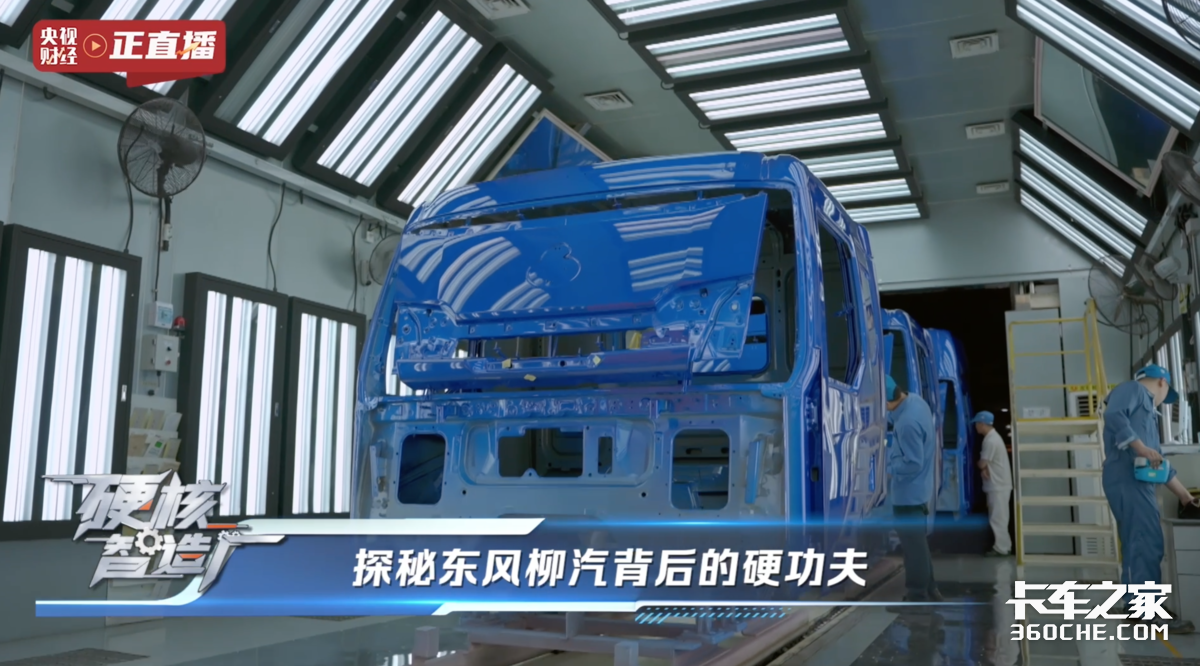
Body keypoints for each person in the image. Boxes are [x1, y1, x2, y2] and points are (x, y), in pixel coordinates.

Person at [1102, 364, 1200, 633]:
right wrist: (1141, 447)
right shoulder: (1133, 390)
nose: (1161, 401)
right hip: (1128, 479)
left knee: (1140, 542)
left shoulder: (1145, 415)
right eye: (1165, 394)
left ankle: (1136, 605)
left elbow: (1158, 463)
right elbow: (1113, 415)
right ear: (1161, 383)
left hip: (1137, 482)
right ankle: (1147, 611)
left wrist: (1186, 498)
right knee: (1145, 542)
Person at [885, 375, 942, 603]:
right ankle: (931, 589)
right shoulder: (916, 401)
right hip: (920, 490)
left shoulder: (907, 423)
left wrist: (888, 469)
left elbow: (913, 463)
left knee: (913, 548)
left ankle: (917, 594)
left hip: (908, 494)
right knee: (919, 545)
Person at [972, 411, 1013, 557]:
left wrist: (981, 466)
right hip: (998, 485)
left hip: (998, 486)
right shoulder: (994, 438)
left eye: (976, 424)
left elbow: (983, 463)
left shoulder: (990, 441)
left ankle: (1002, 548)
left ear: (982, 424)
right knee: (1000, 517)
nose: (975, 427)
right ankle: (1004, 546)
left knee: (998, 518)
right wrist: (984, 468)